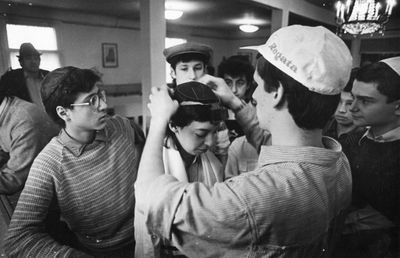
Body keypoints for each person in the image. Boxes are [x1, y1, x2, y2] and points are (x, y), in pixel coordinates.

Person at [135, 25, 353, 257]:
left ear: (277, 92)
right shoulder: (338, 163)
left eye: (257, 85)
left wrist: (158, 119)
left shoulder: (250, 199)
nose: (253, 95)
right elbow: (276, 146)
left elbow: (151, 199)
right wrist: (234, 102)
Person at [4, 66, 145, 257]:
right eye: (91, 101)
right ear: (63, 113)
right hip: (101, 251)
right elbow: (17, 240)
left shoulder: (121, 125)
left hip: (145, 233)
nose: (103, 105)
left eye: (101, 95)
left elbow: (141, 143)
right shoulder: (49, 164)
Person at [135, 81, 228, 257]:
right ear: (173, 125)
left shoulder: (214, 164)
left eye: (214, 132)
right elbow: (146, 237)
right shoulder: (154, 165)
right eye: (200, 134)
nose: (210, 143)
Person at [335, 57, 400, 257]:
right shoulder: (350, 142)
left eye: (365, 101)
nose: (352, 108)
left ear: (398, 107)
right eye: (353, 97)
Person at [164, 42, 230, 163]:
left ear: (205, 70)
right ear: (173, 72)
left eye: (198, 68)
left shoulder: (215, 102)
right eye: (184, 69)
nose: (192, 76)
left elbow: (222, 151)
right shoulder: (165, 104)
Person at [0, 86, 58, 208]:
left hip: (59, 201)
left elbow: (12, 181)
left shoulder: (24, 120)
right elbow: (3, 153)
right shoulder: (6, 110)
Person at [218, 55, 256, 141]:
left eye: (240, 83)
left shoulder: (255, 112)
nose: (233, 90)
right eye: (228, 82)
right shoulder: (215, 109)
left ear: (248, 85)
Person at [0, 43, 49, 109]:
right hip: (25, 118)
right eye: (28, 58)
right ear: (21, 62)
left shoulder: (49, 76)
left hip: (52, 118)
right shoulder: (11, 79)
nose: (33, 61)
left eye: (36, 58)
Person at [323, 68, 363, 140]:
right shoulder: (321, 127)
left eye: (350, 103)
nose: (342, 110)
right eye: (339, 101)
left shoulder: (366, 137)